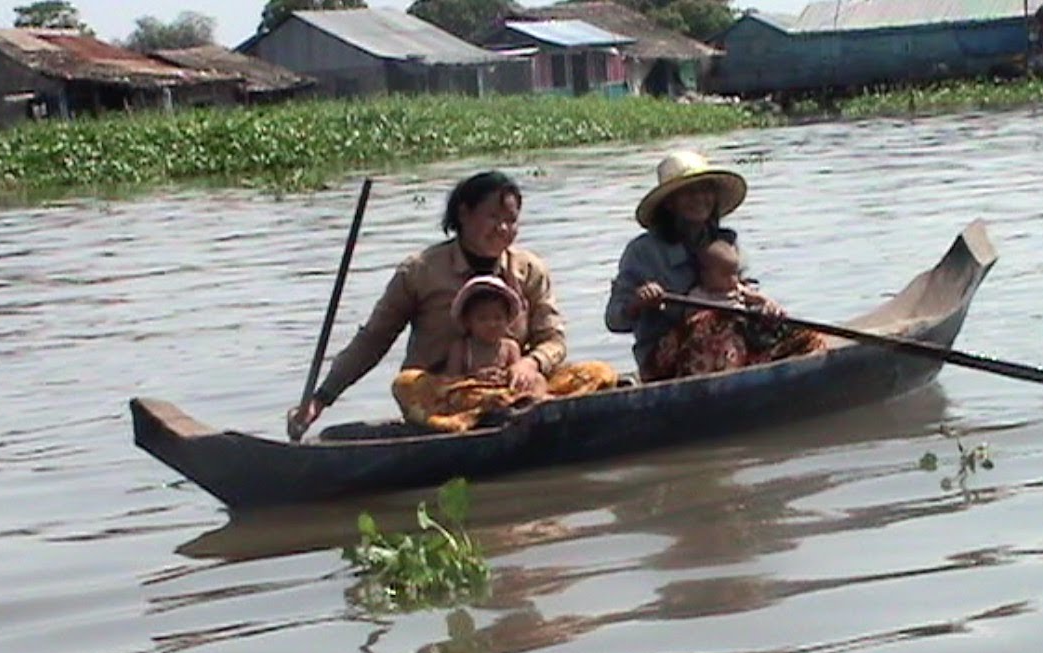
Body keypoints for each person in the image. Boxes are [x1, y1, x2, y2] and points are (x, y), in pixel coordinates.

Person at [287, 170, 566, 439]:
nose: (503, 229)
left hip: (511, 393)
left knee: (594, 373)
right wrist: (320, 399)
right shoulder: (420, 271)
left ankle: (510, 418)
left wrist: (529, 364)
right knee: (406, 384)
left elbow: (553, 340)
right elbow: (374, 339)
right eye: (493, 217)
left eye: (511, 220)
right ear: (464, 214)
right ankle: (469, 424)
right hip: (445, 398)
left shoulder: (529, 270)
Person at [604, 150, 826, 381]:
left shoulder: (727, 242)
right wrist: (638, 303)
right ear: (670, 204)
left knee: (806, 338)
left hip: (734, 341)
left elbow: (744, 292)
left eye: (705, 190)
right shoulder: (643, 252)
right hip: (667, 360)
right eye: (688, 192)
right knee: (710, 323)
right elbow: (614, 320)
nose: (699, 198)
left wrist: (766, 306)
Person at [444, 275, 525, 384]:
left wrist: (504, 376)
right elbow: (450, 380)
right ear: (468, 321)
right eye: (482, 319)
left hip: (504, 394)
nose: (492, 324)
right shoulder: (462, 348)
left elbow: (518, 374)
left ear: (507, 320)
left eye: (498, 318)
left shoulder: (510, 348)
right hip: (471, 395)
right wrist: (474, 378)